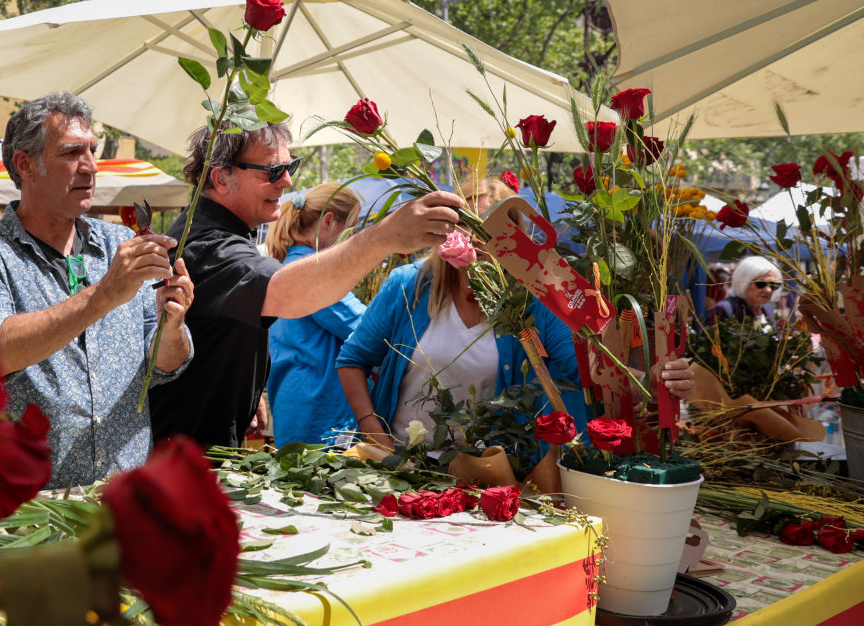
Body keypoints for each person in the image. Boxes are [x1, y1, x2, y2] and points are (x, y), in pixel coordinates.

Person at [150, 122, 463, 449]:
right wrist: (383, 236)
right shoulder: (206, 245)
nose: (287, 181)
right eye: (272, 171)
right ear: (221, 178)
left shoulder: (221, 232)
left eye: (290, 166)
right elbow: (286, 292)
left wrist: (248, 385)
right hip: (180, 456)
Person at [336, 178, 696, 449]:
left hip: (487, 471)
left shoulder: (531, 301)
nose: (478, 240)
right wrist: (375, 434)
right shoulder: (409, 287)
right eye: (467, 225)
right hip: (400, 460)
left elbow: (582, 369)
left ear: (514, 241)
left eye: (492, 231)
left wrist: (650, 381)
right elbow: (352, 360)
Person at [0, 92, 195, 487]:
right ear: (25, 165)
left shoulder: (120, 244)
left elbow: (166, 365)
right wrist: (103, 296)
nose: (90, 167)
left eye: (92, 150)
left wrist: (173, 325)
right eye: (71, 153)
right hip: (30, 508)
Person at [262, 183, 366, 447]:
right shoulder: (314, 273)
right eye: (352, 229)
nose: (354, 238)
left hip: (298, 405)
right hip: (321, 412)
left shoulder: (290, 265)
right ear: (329, 221)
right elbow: (368, 330)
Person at [707, 255, 783, 326]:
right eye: (761, 283)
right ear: (744, 282)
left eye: (773, 285)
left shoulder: (767, 308)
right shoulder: (724, 309)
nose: (768, 290)